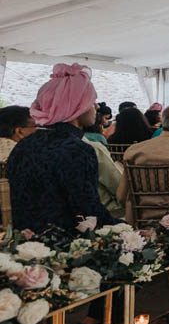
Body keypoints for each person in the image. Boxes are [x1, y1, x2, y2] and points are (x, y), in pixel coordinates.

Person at [8, 63, 116, 233]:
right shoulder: (76, 149)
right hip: (66, 245)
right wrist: (125, 229)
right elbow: (87, 210)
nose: (96, 107)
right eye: (91, 102)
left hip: (26, 242)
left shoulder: (24, 145)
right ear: (77, 108)